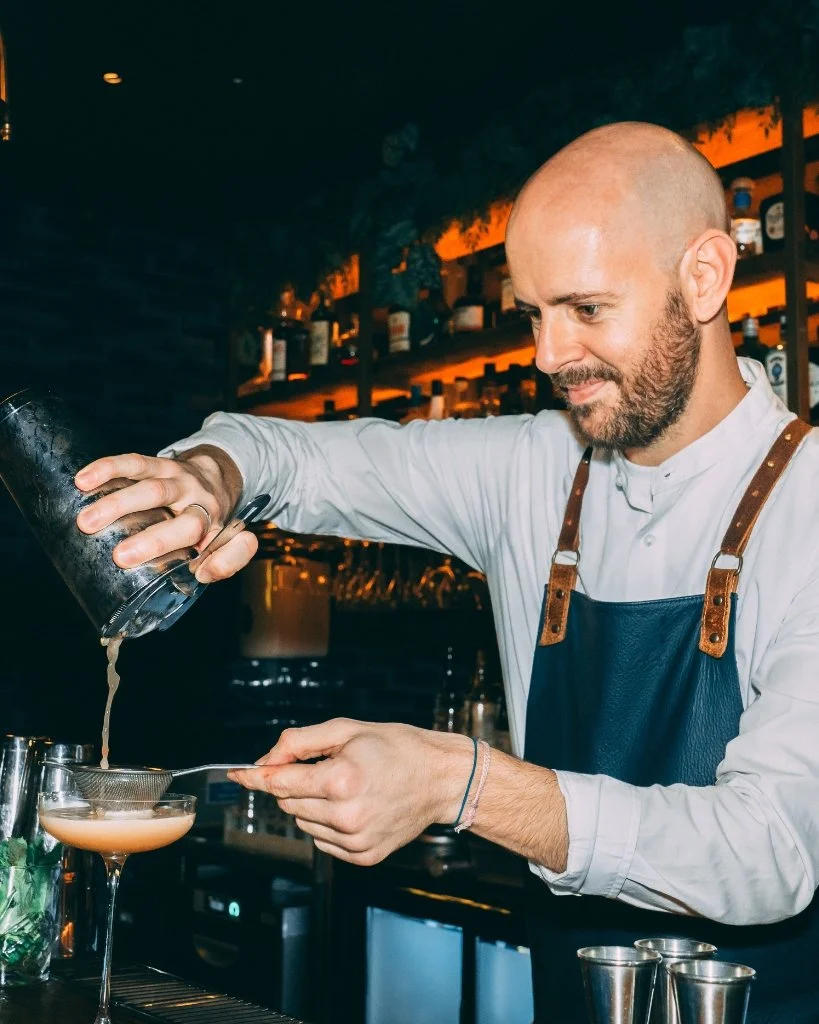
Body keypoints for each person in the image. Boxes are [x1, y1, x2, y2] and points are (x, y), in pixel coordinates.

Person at [74, 122, 819, 1023]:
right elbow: (290, 457)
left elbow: (768, 851)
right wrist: (209, 477)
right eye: (533, 314)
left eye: (585, 309)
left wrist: (463, 783)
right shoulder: (536, 469)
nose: (548, 357)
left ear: (703, 277)